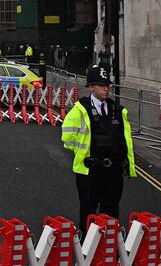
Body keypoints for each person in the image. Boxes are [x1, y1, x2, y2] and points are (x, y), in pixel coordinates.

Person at [61, 65, 136, 233]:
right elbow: (67, 137)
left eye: (107, 85)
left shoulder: (117, 110)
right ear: (91, 87)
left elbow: (125, 140)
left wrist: (127, 164)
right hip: (90, 171)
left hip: (114, 172)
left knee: (111, 212)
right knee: (88, 211)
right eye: (101, 85)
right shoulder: (80, 109)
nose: (106, 89)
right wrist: (83, 152)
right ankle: (87, 249)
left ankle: (108, 249)